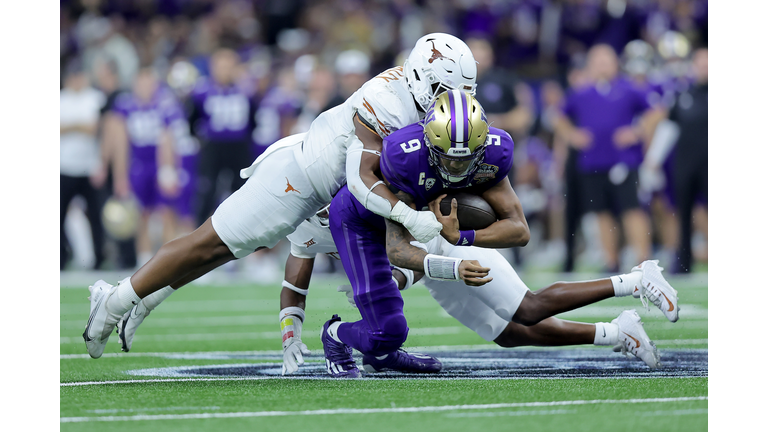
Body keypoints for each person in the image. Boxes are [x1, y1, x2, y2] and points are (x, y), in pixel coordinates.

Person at [83, 33, 477, 360]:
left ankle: (145, 299)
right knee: (207, 244)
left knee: (219, 251)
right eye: (447, 91)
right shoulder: (387, 102)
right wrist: (411, 218)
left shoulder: (421, 101)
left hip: (328, 191)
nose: (455, 103)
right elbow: (361, 181)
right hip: (298, 181)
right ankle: (113, 301)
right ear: (424, 79)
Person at [319, 91, 678, 377]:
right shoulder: (403, 157)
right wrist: (410, 274)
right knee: (507, 333)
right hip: (418, 233)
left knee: (528, 308)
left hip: (448, 236)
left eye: (465, 159)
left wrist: (463, 240)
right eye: (448, 159)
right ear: (429, 143)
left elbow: (520, 231)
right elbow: (401, 246)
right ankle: (618, 332)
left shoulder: (495, 152)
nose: (456, 167)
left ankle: (635, 280)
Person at [553, 44, 664, 272]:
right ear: (590, 65)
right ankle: (611, 260)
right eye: (598, 61)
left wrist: (637, 131)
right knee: (601, 213)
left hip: (623, 161)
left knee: (632, 209)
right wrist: (573, 135)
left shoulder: (629, 88)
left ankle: (644, 260)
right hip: (592, 161)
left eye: (607, 60)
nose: (602, 65)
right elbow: (557, 116)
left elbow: (657, 111)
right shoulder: (581, 93)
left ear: (616, 64)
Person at [110, 67, 181, 265]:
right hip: (138, 166)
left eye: (149, 83)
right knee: (141, 215)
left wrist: (168, 171)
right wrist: (120, 176)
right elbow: (120, 144)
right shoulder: (126, 107)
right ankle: (144, 260)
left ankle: (172, 260)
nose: (146, 87)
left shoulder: (164, 106)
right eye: (142, 83)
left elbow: (168, 140)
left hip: (158, 166)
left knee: (167, 212)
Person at [189, 48, 257, 225]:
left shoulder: (245, 91)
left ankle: (245, 234)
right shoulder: (202, 92)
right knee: (207, 190)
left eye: (229, 66)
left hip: (238, 146)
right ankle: (199, 231)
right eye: (221, 66)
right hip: (213, 146)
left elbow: (253, 120)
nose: (225, 71)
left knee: (242, 190)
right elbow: (193, 120)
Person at [60, 60, 107, 270]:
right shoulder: (60, 99)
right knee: (58, 215)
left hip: (90, 166)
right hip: (64, 166)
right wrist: (80, 125)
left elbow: (94, 129)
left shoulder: (95, 98)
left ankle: (99, 257)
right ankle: (61, 256)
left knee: (96, 215)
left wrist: (71, 126)